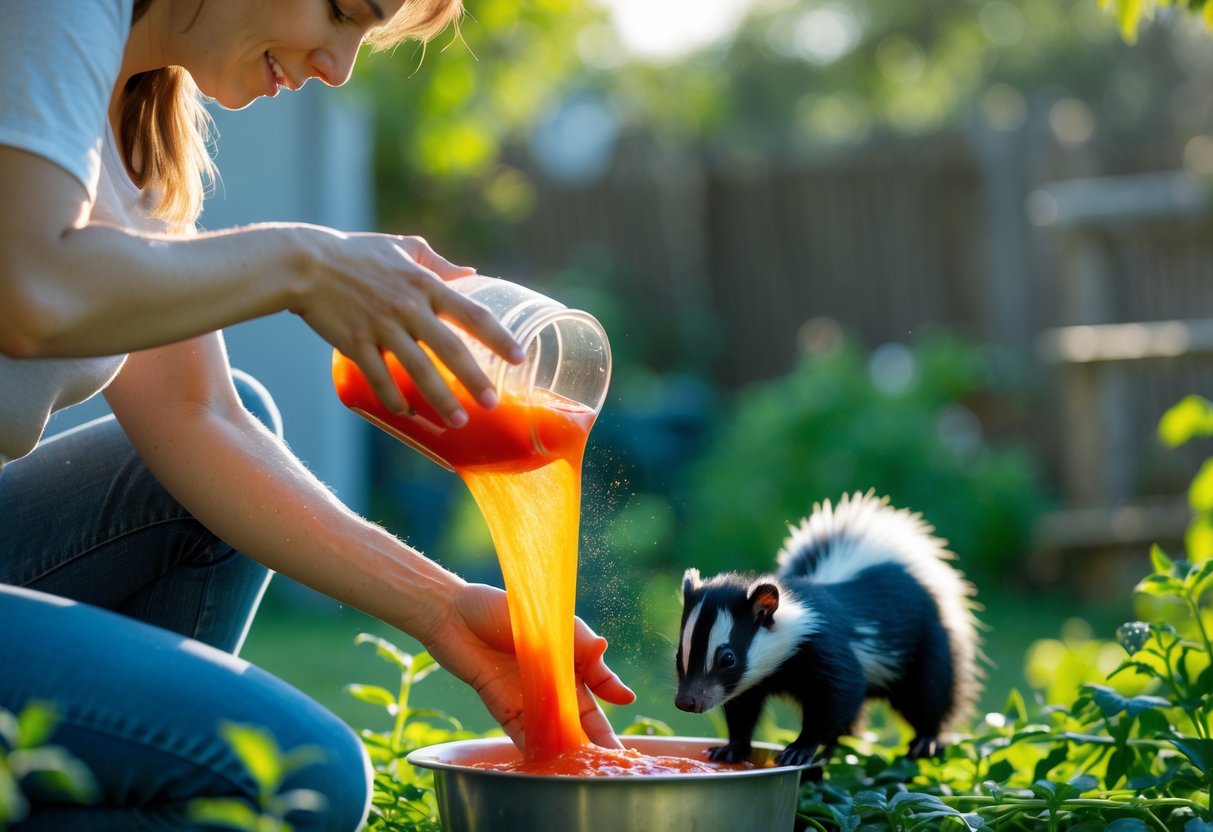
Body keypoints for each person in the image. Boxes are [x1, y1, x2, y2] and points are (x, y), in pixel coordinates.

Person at [0, 0, 636, 828]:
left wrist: (442, 607)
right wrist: (301, 264)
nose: (336, 66)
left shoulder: (131, 125)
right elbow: (32, 288)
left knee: (238, 424)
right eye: (341, 11)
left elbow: (198, 416)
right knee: (298, 783)